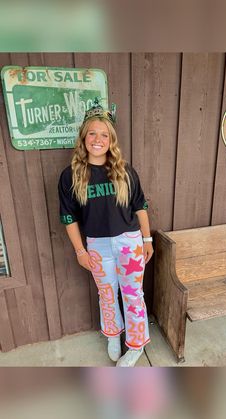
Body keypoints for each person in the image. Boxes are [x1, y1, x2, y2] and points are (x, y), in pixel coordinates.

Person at [58, 99, 154, 367]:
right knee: (107, 293)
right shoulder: (71, 176)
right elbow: (69, 218)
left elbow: (140, 207)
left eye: (104, 134)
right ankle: (114, 334)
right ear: (84, 137)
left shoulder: (125, 171)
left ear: (111, 139)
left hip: (129, 242)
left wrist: (147, 240)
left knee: (134, 295)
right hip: (97, 245)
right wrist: (80, 250)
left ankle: (136, 345)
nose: (97, 139)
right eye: (92, 133)